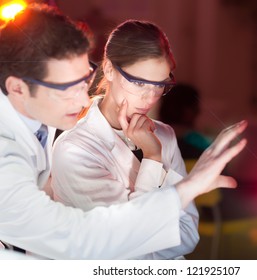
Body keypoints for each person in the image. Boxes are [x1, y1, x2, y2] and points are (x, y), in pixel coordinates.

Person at [0, 3, 247, 260]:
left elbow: (186, 236)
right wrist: (175, 178)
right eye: (68, 87)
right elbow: (96, 244)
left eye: (85, 80)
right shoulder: (54, 147)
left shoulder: (45, 121)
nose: (85, 100)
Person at [51, 20, 199, 260]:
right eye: (139, 82)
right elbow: (125, 249)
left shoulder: (165, 136)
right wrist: (152, 159)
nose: (149, 97)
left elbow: (188, 235)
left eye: (160, 84)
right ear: (109, 69)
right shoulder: (75, 149)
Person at [159, 83, 212, 159]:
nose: (198, 111)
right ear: (187, 110)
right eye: (195, 107)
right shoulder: (199, 142)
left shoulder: (151, 137)